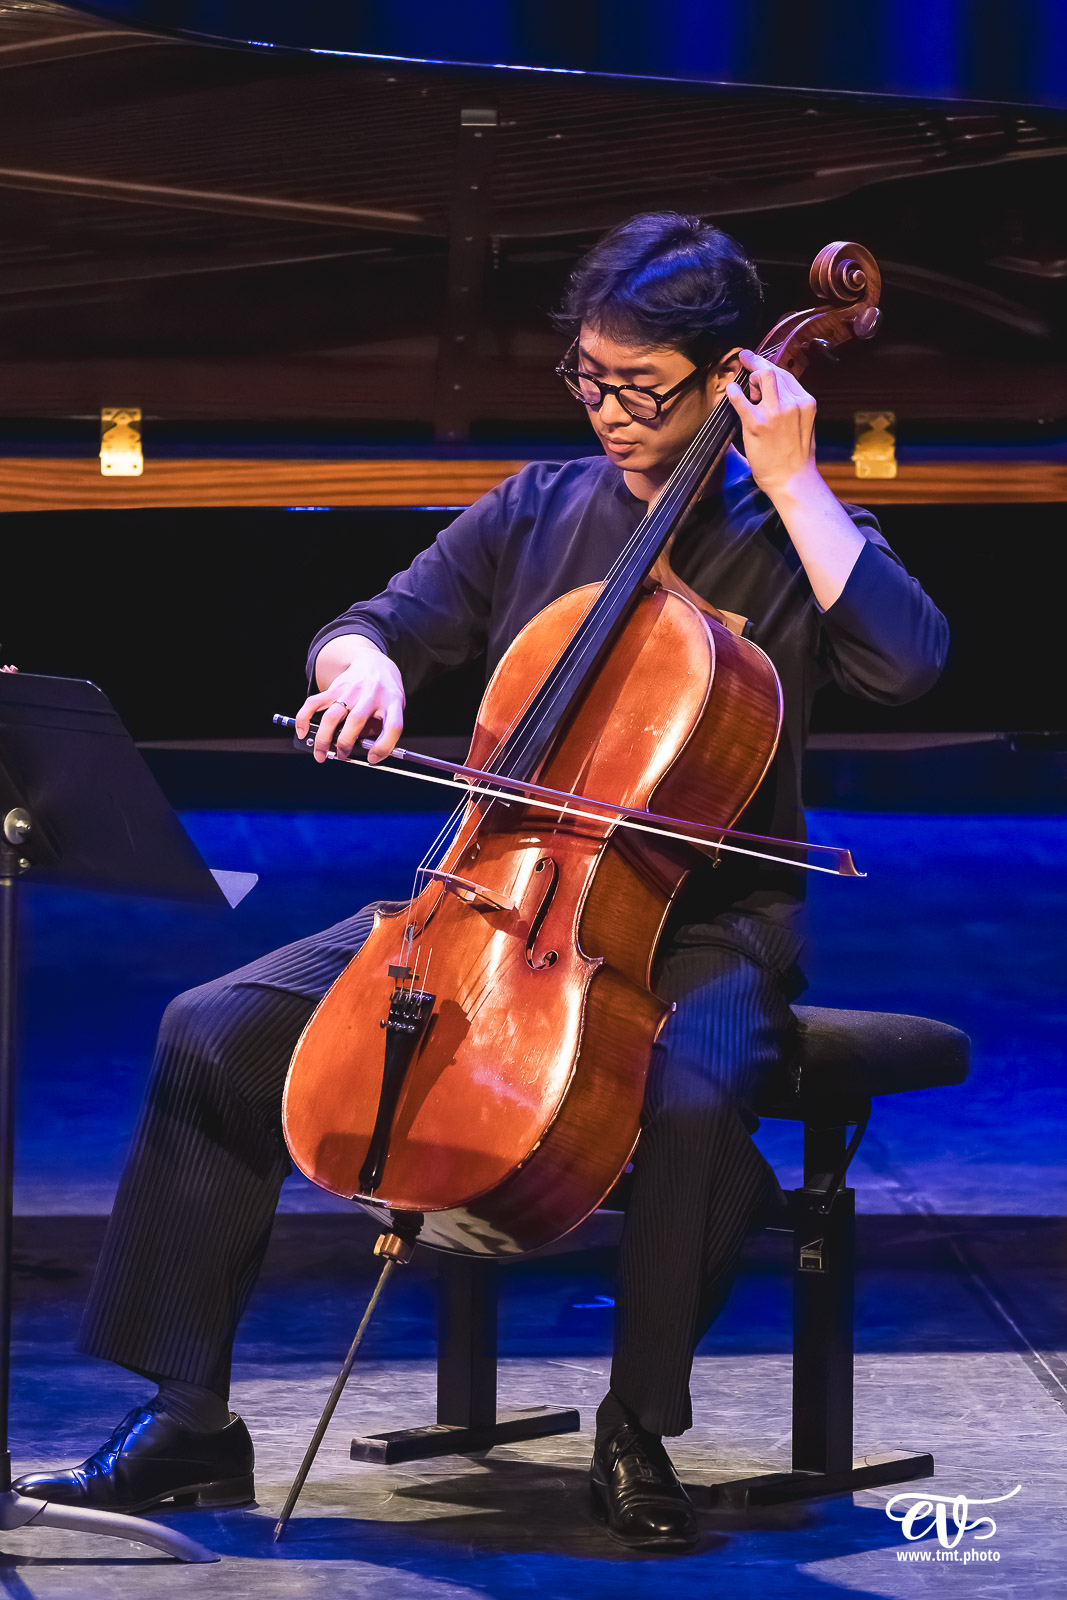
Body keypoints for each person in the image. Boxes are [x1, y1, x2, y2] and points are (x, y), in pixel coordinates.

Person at [15, 213, 947, 1552]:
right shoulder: (537, 506)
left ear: (726, 373)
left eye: (643, 385)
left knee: (690, 1098)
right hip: (494, 889)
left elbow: (910, 662)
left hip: (702, 920)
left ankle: (637, 1428)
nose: (610, 410)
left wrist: (798, 482)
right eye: (589, 377)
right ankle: (187, 1423)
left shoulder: (786, 534)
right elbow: (379, 623)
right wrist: (366, 670)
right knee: (212, 1030)